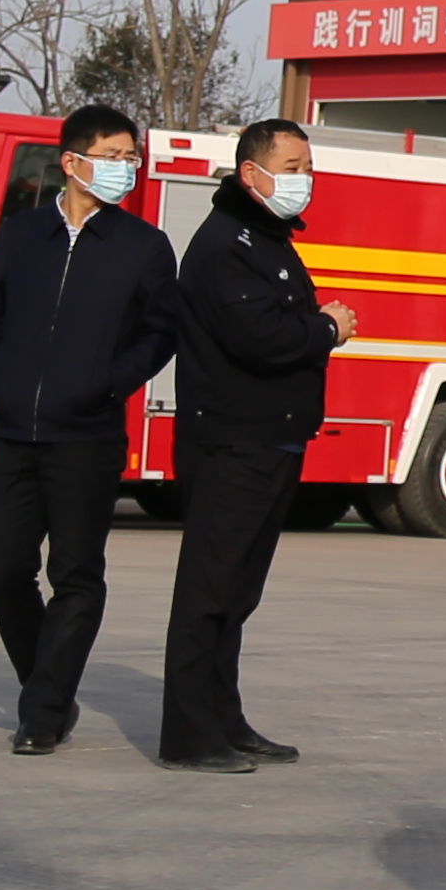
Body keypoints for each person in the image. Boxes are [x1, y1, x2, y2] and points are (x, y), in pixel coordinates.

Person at [0, 101, 178, 759]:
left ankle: (43, 712)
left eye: (130, 158)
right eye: (112, 157)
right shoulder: (22, 233)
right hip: (12, 428)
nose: (125, 169)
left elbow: (160, 333)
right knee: (1, 569)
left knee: (76, 575)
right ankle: (50, 689)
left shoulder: (143, 246)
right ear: (71, 162)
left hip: (86, 434)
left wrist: (106, 383)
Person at [158, 116, 353, 775]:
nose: (305, 180)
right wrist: (326, 328)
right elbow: (260, 338)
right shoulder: (226, 245)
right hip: (231, 442)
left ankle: (224, 717)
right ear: (252, 173)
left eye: (308, 168)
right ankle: (189, 735)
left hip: (273, 439)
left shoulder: (269, 240)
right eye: (293, 168)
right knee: (209, 589)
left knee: (237, 592)